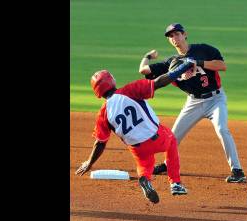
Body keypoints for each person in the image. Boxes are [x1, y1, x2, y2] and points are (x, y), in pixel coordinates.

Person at [138, 23, 246, 183]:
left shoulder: (203, 49)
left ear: (185, 34)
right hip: (193, 102)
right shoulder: (171, 62)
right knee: (173, 137)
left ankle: (237, 171)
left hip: (216, 99)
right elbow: (144, 71)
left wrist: (198, 63)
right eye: (170, 36)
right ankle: (168, 164)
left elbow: (222, 66)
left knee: (223, 129)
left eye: (177, 34)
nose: (174, 38)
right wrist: (148, 55)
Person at [75, 60, 194, 203]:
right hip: (156, 138)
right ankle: (175, 183)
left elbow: (100, 143)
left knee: (144, 164)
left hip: (137, 148)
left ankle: (145, 179)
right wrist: (184, 66)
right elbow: (160, 82)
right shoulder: (129, 90)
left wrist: (90, 162)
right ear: (112, 81)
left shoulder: (103, 113)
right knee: (172, 140)